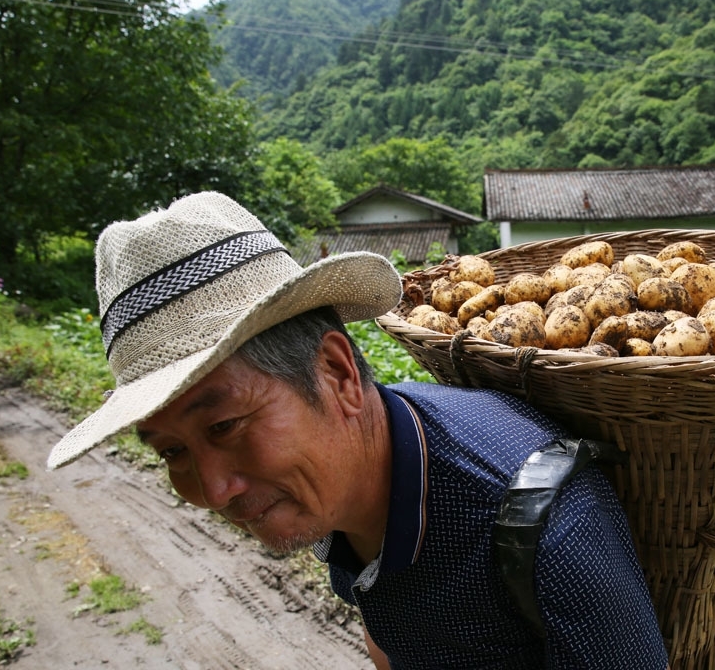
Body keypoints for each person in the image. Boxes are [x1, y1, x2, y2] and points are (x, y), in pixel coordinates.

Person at [47, 192, 668, 668]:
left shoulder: (552, 532)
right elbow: (383, 618)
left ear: (338, 374)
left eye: (227, 424)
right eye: (173, 453)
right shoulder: (340, 480)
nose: (213, 491)